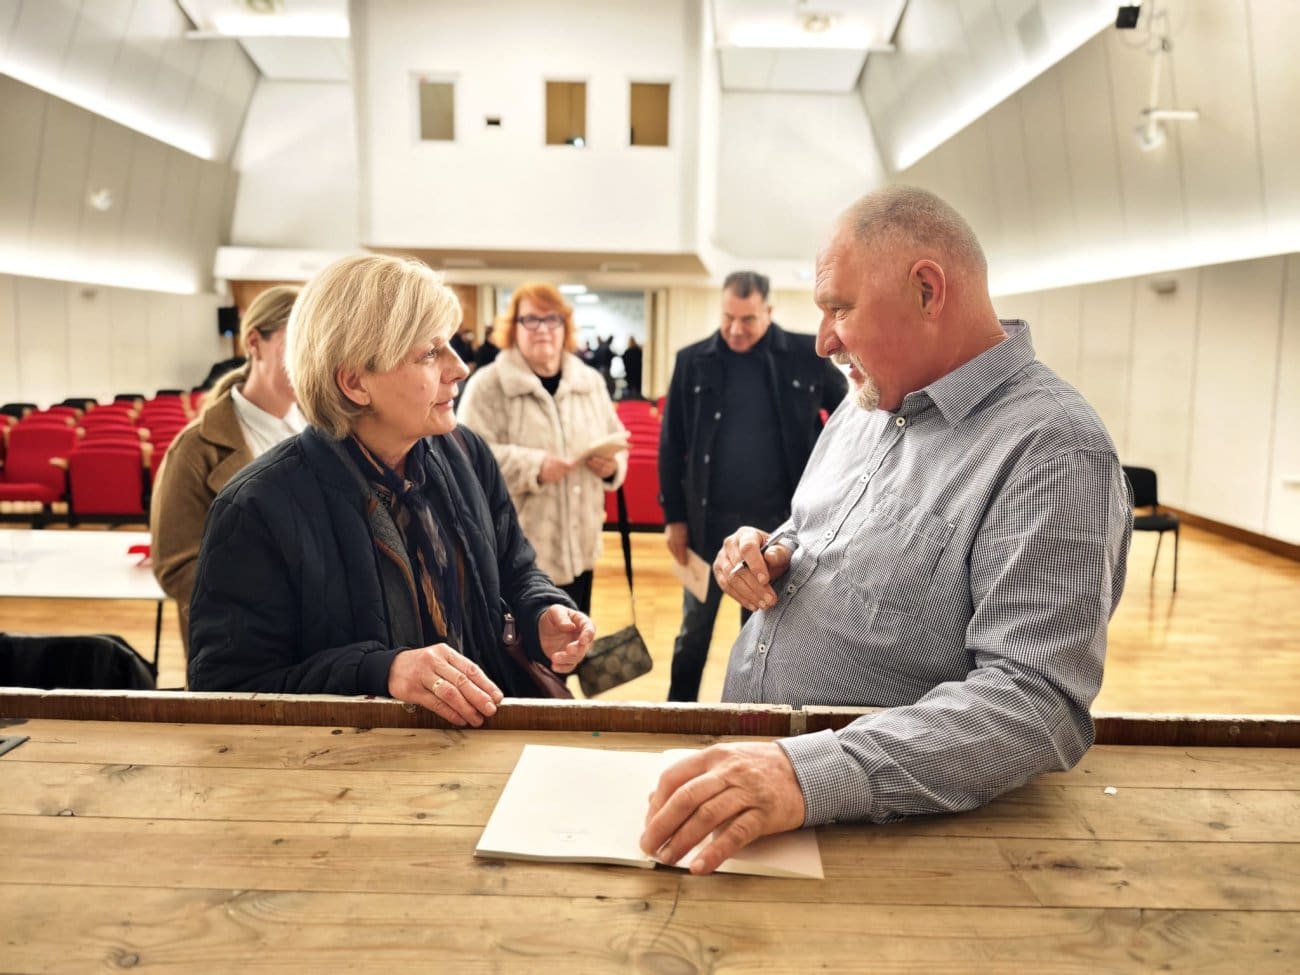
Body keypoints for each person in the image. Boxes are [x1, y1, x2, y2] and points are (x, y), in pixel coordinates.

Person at [639, 186, 1133, 875]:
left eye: (839, 309)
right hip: (762, 784)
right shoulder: (867, 401)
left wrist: (806, 775)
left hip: (874, 837)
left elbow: (1034, 703)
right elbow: (814, 529)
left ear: (927, 290)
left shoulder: (1052, 451)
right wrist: (769, 551)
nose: (823, 341)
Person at [187, 256, 594, 724]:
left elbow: (514, 569)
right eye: (430, 354)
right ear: (354, 382)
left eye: (450, 345)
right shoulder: (256, 508)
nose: (459, 368)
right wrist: (383, 672)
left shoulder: (466, 454)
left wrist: (540, 611)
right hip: (356, 761)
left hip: (482, 734)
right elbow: (228, 688)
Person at [658, 270, 847, 701]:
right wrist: (674, 519)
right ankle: (676, 713)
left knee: (761, 640)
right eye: (728, 318)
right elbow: (672, 445)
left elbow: (851, 418)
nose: (735, 329)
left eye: (747, 319)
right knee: (692, 635)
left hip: (777, 533)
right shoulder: (692, 361)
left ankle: (750, 717)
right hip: (706, 527)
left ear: (768, 312)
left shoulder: (804, 355)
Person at [150, 285, 306, 659]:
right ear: (254, 343)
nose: (309, 361)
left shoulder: (328, 430)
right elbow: (176, 567)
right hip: (239, 644)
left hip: (320, 640)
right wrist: (272, 596)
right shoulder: (195, 449)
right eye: (296, 345)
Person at [456, 283, 627, 614]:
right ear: (513, 327)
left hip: (581, 547)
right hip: (520, 558)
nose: (543, 329)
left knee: (575, 635)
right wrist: (533, 466)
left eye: (552, 320)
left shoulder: (589, 381)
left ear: (565, 326)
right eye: (531, 320)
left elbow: (615, 436)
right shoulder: (488, 385)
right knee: (528, 644)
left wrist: (613, 466)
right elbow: (466, 460)